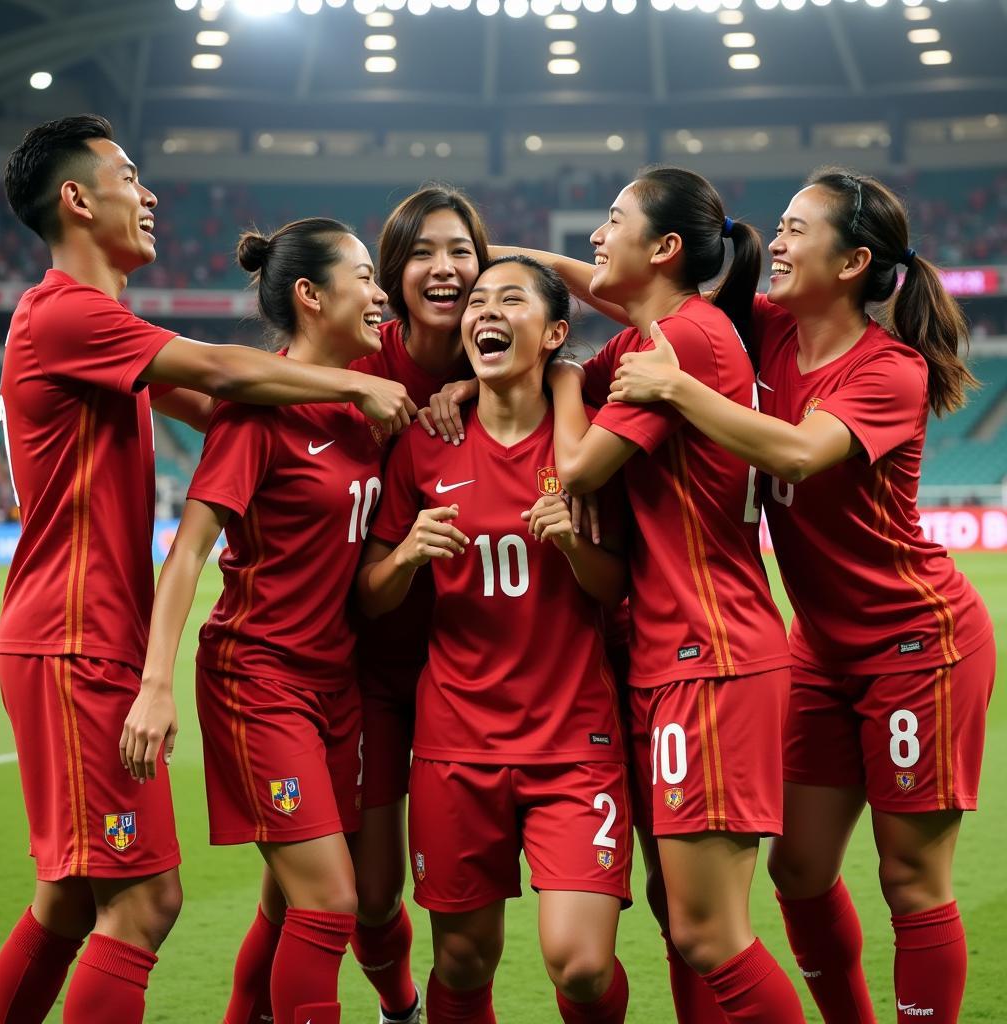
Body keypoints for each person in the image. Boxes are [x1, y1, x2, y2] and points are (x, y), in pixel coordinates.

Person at [0, 114, 413, 1024]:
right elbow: (226, 375)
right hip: (76, 643)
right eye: (130, 176)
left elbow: (236, 403)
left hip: (80, 638)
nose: (147, 195)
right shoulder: (65, 314)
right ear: (76, 198)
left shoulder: (103, 334)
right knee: (143, 904)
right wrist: (355, 382)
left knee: (72, 899)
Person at [607, 168, 995, 1023]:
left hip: (916, 645)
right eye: (776, 227)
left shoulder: (889, 370)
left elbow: (792, 454)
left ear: (854, 262)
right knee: (798, 870)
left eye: (795, 229)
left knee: (910, 877)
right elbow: (640, 293)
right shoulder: (770, 329)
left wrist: (676, 388)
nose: (775, 242)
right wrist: (516, 272)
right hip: (817, 647)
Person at [220, 185, 490, 1024]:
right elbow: (253, 386)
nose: (442, 270)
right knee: (356, 896)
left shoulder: (506, 357)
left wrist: (479, 393)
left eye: (462, 251)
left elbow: (568, 370)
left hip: (476, 670)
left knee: (318, 891)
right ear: (393, 274)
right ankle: (396, 1006)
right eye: (419, 254)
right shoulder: (360, 364)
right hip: (360, 664)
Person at [548, 167, 804, 1022]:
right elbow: (582, 310)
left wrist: (558, 381)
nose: (595, 235)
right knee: (678, 914)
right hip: (677, 656)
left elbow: (578, 464)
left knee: (710, 933)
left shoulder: (684, 340)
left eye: (611, 219)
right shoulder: (653, 340)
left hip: (712, 656)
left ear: (663, 248)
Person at [358, 256, 633, 1024]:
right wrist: (408, 555)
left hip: (574, 742)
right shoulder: (425, 443)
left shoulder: (587, 447)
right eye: (478, 300)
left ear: (553, 334)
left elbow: (617, 585)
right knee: (462, 958)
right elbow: (371, 597)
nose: (486, 310)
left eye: (511, 299)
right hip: (456, 743)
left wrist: (575, 547)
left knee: (581, 966)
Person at [131, 217, 389, 1024]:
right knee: (330, 903)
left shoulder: (364, 409)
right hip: (259, 679)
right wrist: (154, 686)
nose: (382, 294)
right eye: (366, 277)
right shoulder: (255, 413)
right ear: (311, 296)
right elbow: (188, 552)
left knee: (284, 903)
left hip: (334, 683)